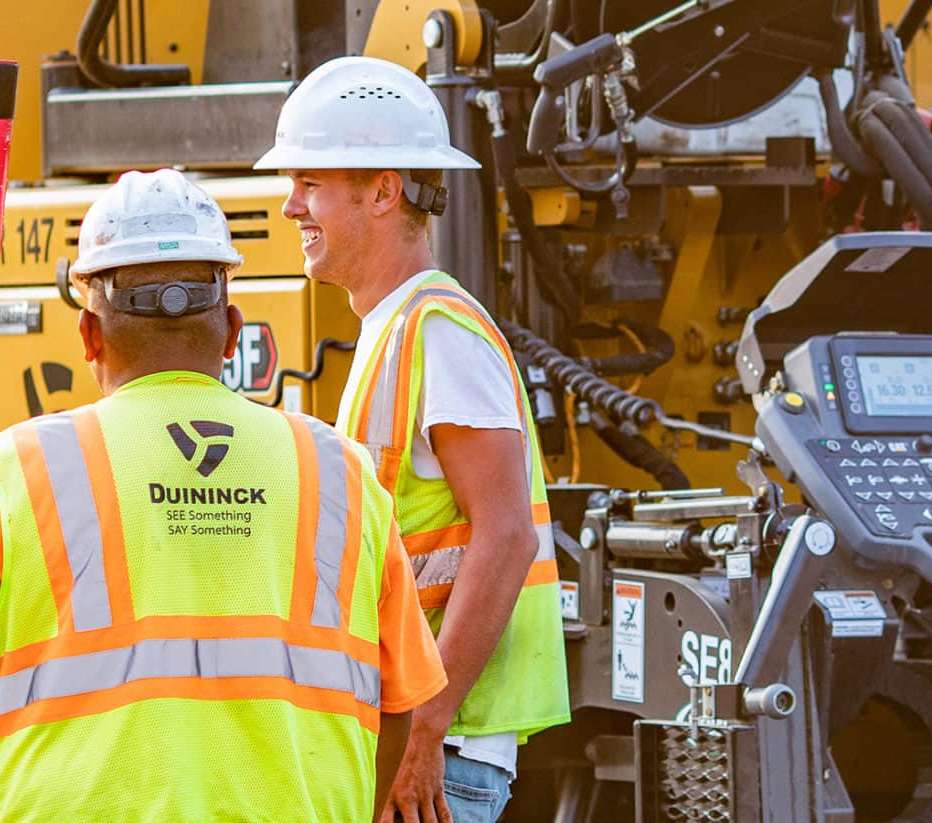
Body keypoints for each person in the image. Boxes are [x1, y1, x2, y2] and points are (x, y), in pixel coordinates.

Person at [0, 169, 445, 822]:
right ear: (231, 331)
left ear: (89, 336)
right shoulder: (341, 472)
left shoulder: (12, 472)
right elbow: (400, 700)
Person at [256, 56, 572, 823]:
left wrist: (424, 725)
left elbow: (506, 536)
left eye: (310, 183)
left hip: (442, 748)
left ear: (383, 190)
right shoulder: (396, 325)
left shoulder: (437, 329)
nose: (290, 204)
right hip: (412, 737)